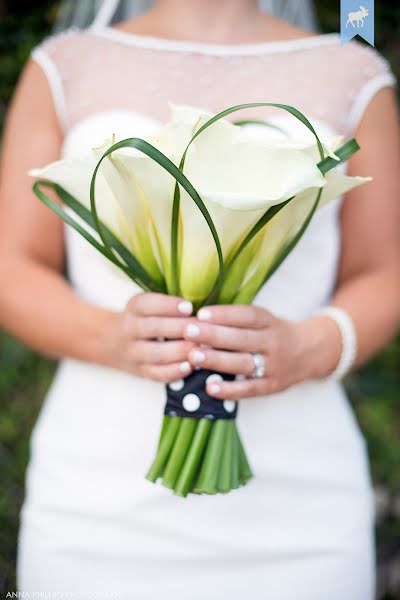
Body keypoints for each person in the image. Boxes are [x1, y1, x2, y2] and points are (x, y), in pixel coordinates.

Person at [0, 1, 399, 598]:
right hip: (96, 495)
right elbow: (12, 267)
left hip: (299, 506)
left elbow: (384, 271)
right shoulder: (63, 66)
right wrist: (109, 336)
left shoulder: (351, 72)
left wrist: (307, 346)